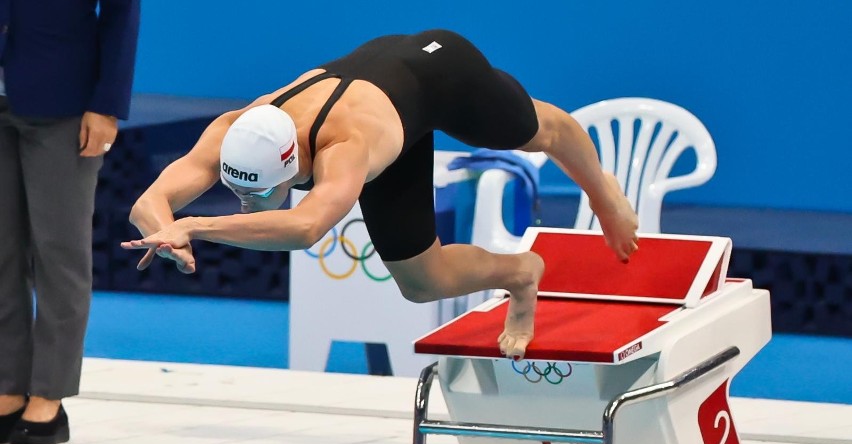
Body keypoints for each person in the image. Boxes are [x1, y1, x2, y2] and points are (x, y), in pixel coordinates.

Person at [123, 30, 638, 362]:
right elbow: (147, 202)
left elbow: (305, 228)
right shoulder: (234, 129)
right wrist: (161, 231)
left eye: (254, 192)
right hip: (390, 114)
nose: (242, 203)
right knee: (421, 282)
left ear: (291, 166)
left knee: (539, 131)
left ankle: (602, 190)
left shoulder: (344, 149)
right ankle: (522, 273)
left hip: (438, 72)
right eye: (234, 188)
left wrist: (194, 226)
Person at [0, 0, 141, 444]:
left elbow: (122, 9)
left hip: (64, 100)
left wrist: (107, 104)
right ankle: (7, 385)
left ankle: (49, 395)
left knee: (59, 252)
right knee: (0, 253)